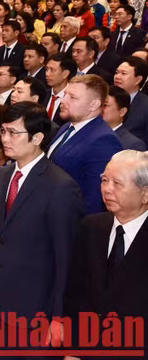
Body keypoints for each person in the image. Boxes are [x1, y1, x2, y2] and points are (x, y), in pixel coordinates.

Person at [0, 102, 84, 353]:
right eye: (4, 131)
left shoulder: (60, 186)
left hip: (37, 312)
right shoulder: (2, 176)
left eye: (13, 133)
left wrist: (59, 317)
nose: (5, 139)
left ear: (37, 137)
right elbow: (0, 241)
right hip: (1, 307)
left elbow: (67, 258)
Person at [64, 150, 148, 355]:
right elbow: (76, 296)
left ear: (145, 194)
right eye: (104, 180)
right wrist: (74, 350)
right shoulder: (91, 228)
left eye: (117, 184)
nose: (107, 189)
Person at [50, 75, 123, 214]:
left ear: (94, 105)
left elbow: (95, 199)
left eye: (73, 97)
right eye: (65, 94)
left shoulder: (104, 140)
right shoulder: (66, 127)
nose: (63, 100)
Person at [114, 57, 148, 145]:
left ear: (138, 79)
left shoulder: (145, 105)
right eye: (117, 72)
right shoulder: (105, 98)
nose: (117, 76)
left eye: (123, 73)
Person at [103, 86, 147, 151]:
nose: (99, 109)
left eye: (105, 105)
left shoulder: (132, 145)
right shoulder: (89, 132)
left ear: (122, 112)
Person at [44, 53, 76, 126]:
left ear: (65, 74)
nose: (47, 74)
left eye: (52, 70)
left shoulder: (72, 99)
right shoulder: (43, 94)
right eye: (46, 69)